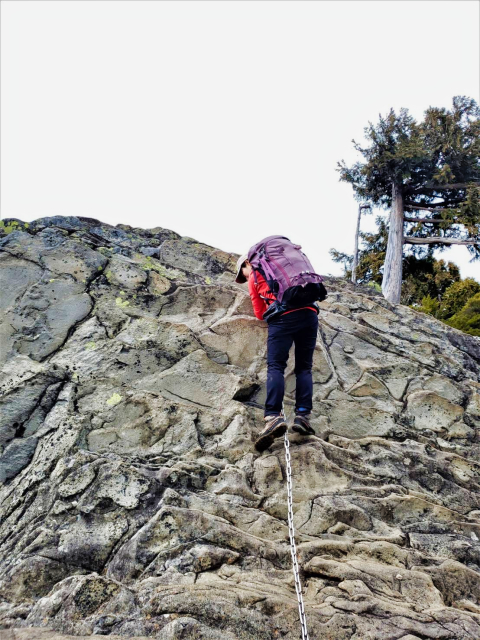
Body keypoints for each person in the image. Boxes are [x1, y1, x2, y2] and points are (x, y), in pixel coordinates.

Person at [235, 253, 318, 452]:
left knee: (276, 367)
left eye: (243, 273)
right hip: (310, 313)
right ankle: (302, 416)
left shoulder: (256, 274)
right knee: (304, 368)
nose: (246, 276)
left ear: (247, 263)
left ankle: (273, 416)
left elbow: (259, 313)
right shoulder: (287, 267)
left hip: (283, 317)